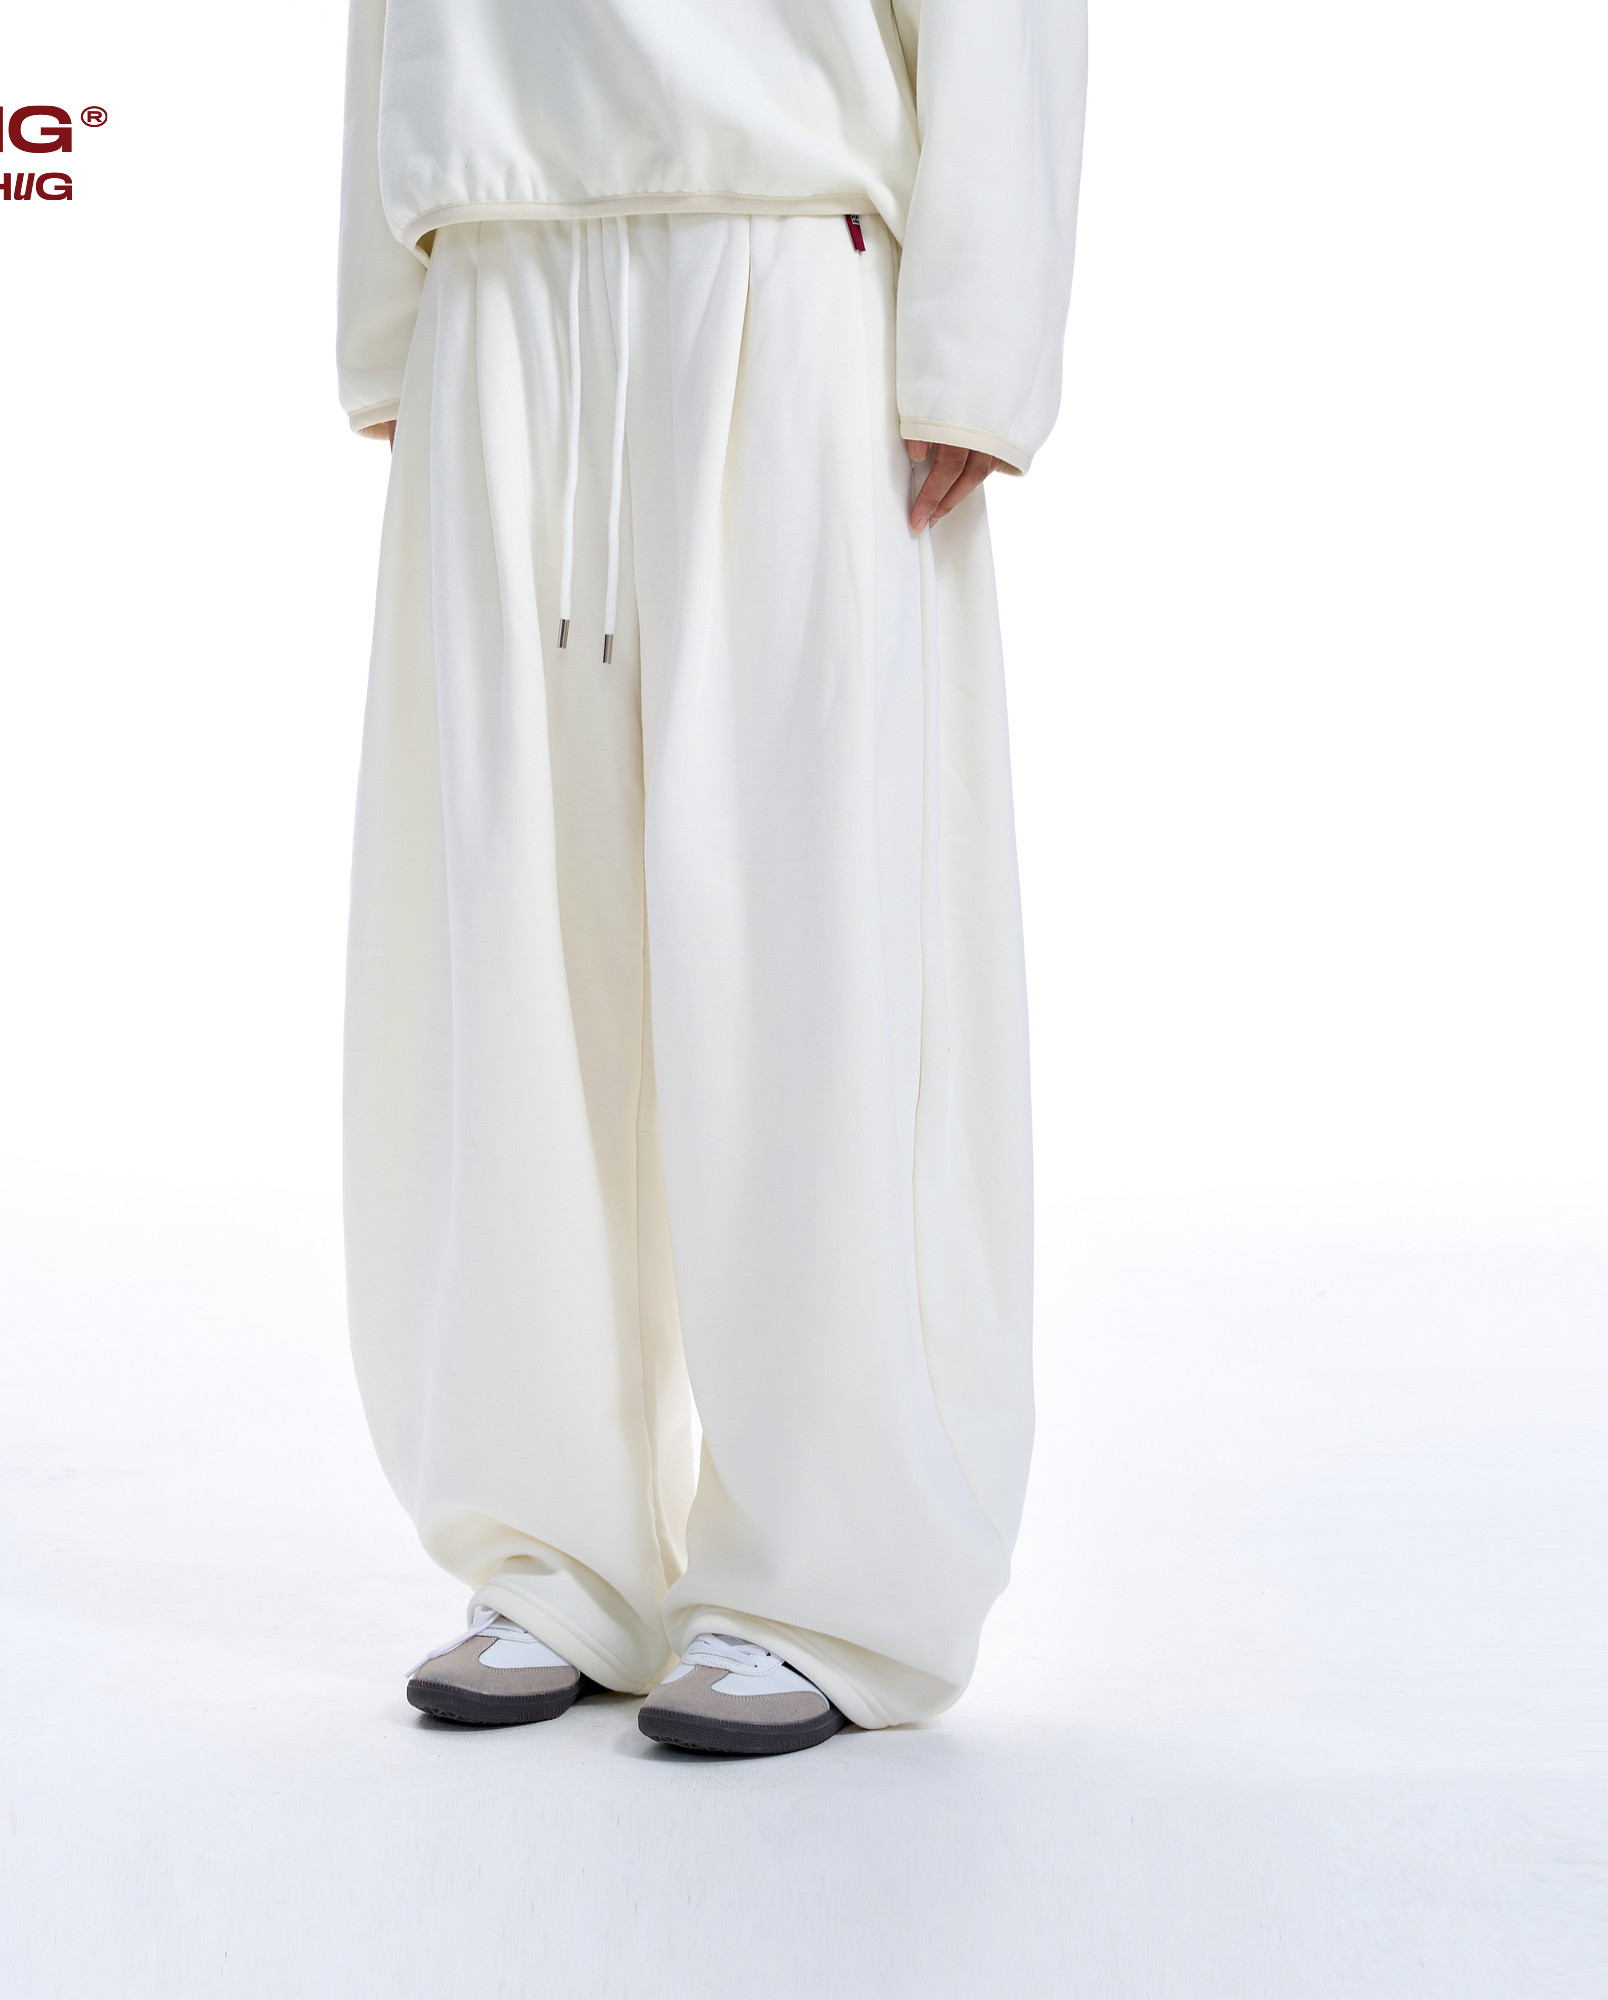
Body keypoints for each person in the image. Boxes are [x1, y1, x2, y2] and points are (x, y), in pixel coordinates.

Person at [336, 0, 1086, 1756]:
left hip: (789, 242)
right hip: (498, 254)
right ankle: (550, 1550)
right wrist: (389, 302)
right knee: (508, 937)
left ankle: (829, 1579)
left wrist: (979, 335)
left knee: (800, 938)